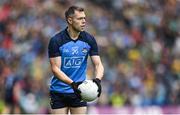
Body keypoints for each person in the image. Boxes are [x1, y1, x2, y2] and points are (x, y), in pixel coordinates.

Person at [48, 6, 104, 114]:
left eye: (84, 18)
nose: (84, 21)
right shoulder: (56, 41)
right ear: (70, 20)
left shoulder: (89, 39)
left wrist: (97, 80)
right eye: (80, 19)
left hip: (79, 92)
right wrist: (73, 84)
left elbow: (98, 64)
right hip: (59, 92)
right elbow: (55, 69)